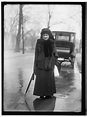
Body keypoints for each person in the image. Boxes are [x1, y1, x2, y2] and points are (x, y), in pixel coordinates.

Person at [33, 28, 58, 99]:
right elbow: (36, 54)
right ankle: (41, 93)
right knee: (41, 79)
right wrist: (36, 65)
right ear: (42, 36)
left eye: (46, 35)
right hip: (41, 64)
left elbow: (55, 53)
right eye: (44, 35)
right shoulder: (39, 43)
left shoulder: (52, 43)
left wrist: (53, 62)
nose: (45, 36)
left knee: (49, 79)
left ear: (49, 35)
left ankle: (49, 94)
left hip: (49, 65)